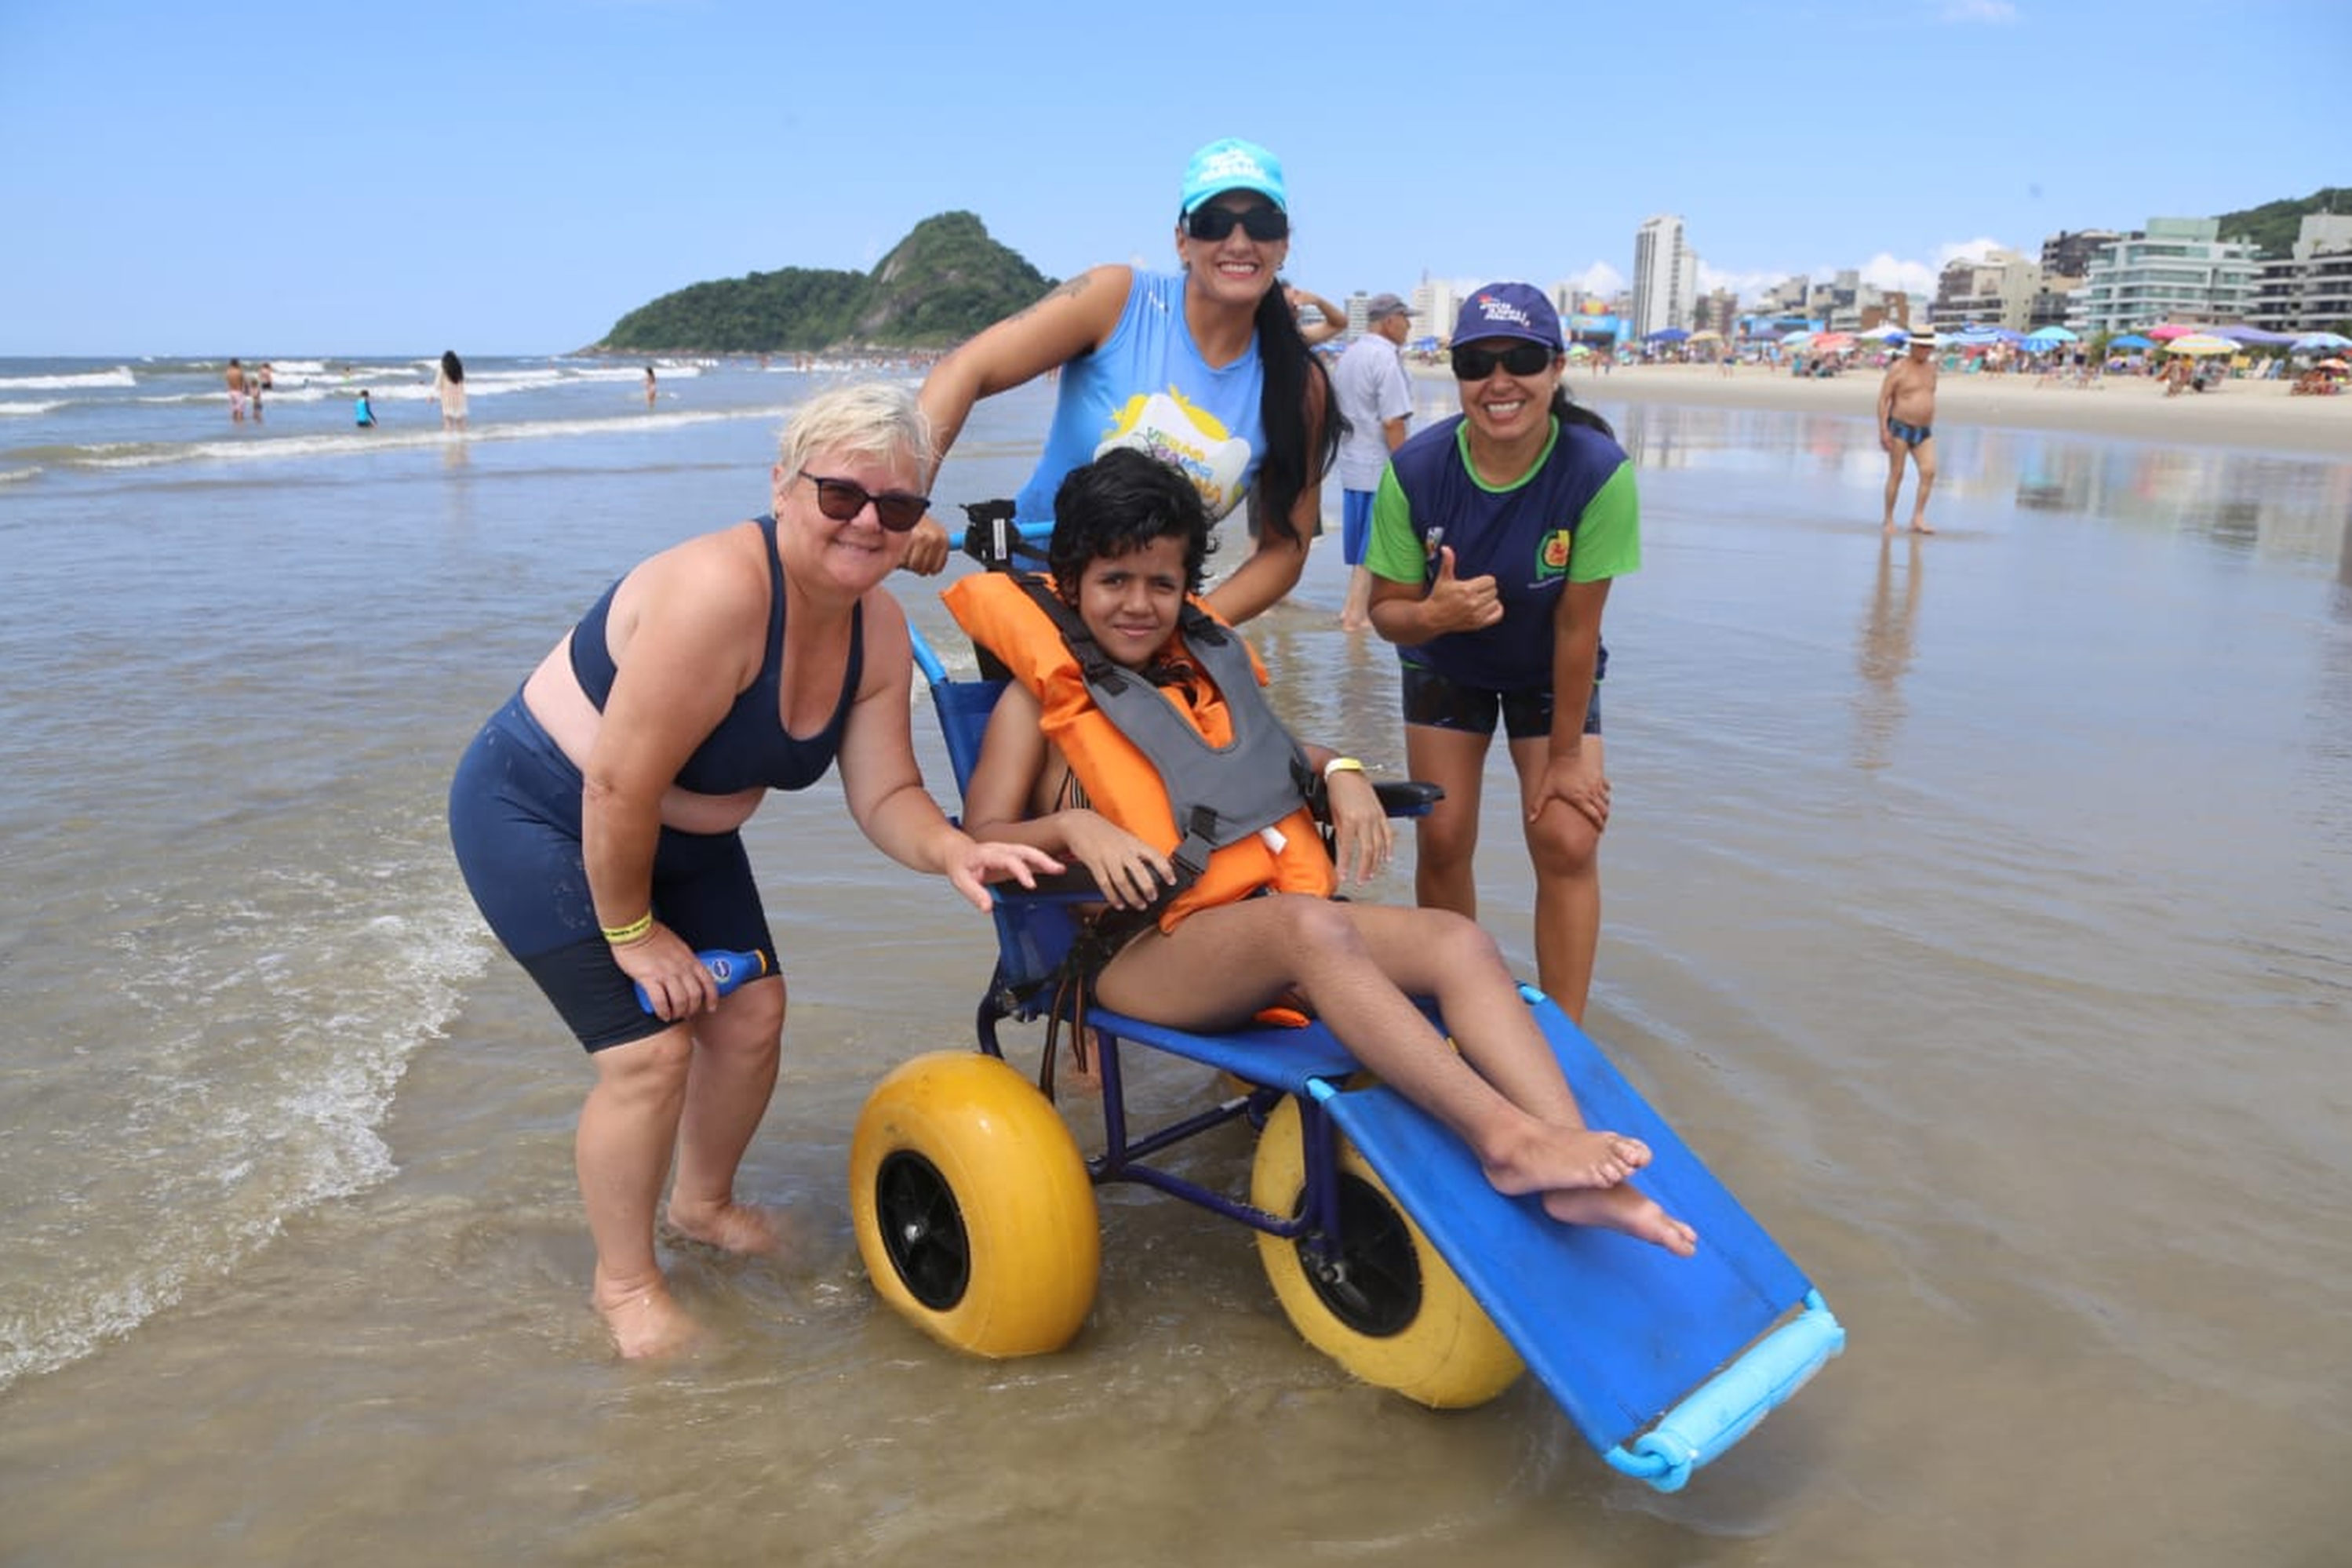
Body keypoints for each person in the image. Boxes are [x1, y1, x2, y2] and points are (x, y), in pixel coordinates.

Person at [446, 383, 1060, 1359]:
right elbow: (613, 787)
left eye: (896, 508)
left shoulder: (878, 631)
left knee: (753, 1012)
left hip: (675, 830)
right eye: (839, 496)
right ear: (782, 486)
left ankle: (702, 1203)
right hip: (546, 812)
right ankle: (626, 1284)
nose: (866, 523)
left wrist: (953, 845)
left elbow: (885, 793)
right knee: (650, 1052)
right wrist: (634, 934)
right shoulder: (717, 594)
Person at [950, 449, 1692, 1253]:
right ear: (1070, 584)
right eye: (1114, 581)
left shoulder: (1198, 670)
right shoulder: (1035, 706)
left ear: (1186, 587)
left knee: (1457, 940)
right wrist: (1071, 829)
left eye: (1161, 584)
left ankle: (1569, 1159)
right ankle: (1506, 1142)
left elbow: (1260, 760)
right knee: (1311, 927)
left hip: (1265, 930)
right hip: (1141, 955)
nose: (1139, 604)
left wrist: (1338, 769)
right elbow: (981, 838)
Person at [905, 136, 1338, 626]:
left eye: (1261, 224)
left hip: (1147, 622)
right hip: (1032, 596)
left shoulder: (1300, 386)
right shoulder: (1116, 300)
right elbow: (964, 370)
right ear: (1182, 240)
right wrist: (910, 499)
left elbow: (1286, 550)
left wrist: (1186, 630)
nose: (1239, 243)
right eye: (1214, 223)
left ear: (1283, 244)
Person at [1364, 283, 1640, 1029]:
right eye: (1475, 362)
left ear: (1555, 367)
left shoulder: (1596, 470)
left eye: (1520, 360)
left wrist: (1567, 757)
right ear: (1455, 375)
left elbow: (1579, 628)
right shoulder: (1417, 471)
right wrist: (1433, 613)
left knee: (1566, 831)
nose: (1498, 381)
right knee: (1445, 834)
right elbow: (1385, 613)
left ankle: (1568, 1034)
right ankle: (1462, 1015)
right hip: (1444, 663)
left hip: (1548, 670)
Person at [1330, 291, 1418, 631]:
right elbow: (1393, 421)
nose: (1409, 325)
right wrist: (1408, 469)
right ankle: (1356, 616)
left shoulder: (1349, 355)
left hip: (1352, 463)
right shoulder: (1385, 359)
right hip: (1378, 464)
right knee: (1373, 547)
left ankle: (1351, 608)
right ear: (1390, 321)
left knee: (1362, 547)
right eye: (1406, 318)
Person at [1877, 331, 1939, 534]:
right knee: (1897, 474)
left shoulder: (1932, 369)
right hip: (1900, 426)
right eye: (1922, 346)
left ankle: (1918, 518)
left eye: (1929, 347)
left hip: (1924, 429)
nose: (1926, 351)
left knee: (1929, 471)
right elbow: (1884, 399)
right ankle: (1888, 519)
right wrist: (1884, 429)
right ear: (1912, 346)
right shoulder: (1899, 368)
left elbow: (1929, 394)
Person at [1286, 284, 1349, 348]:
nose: (1298, 306)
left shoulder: (1295, 336)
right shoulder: (1291, 337)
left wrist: (1317, 301)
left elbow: (1339, 324)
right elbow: (1338, 324)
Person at [434, 350, 468, 431]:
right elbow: (462, 382)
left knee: (448, 422)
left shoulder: (443, 368)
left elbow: (438, 383)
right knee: (461, 422)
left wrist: (432, 395)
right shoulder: (459, 368)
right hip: (460, 398)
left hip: (447, 399)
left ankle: (449, 441)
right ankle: (462, 440)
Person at [225, 358, 248, 422]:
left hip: (231, 392)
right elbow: (245, 382)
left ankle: (234, 425)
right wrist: (247, 390)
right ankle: (240, 427)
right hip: (239, 392)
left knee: (234, 410)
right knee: (240, 411)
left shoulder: (228, 372)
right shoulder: (239, 371)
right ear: (237, 364)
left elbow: (228, 382)